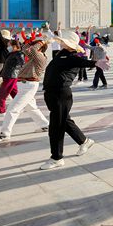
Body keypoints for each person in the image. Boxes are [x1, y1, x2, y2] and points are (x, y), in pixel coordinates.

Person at [38, 31, 97, 169]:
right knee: (65, 122)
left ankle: (57, 158)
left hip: (61, 95)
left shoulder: (73, 57)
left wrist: (96, 63)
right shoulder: (62, 53)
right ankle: (84, 141)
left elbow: (83, 62)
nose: (62, 43)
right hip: (52, 94)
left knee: (56, 128)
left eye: (64, 42)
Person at [0, 38, 50, 142]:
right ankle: (44, 125)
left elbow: (32, 50)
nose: (29, 49)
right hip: (24, 85)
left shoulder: (40, 57)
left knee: (13, 109)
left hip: (29, 86)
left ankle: (4, 134)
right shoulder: (32, 56)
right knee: (31, 108)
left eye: (34, 46)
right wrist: (31, 42)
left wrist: (41, 41)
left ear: (40, 48)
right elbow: (25, 48)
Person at [0, 40, 24, 115]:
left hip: (11, 76)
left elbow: (23, 64)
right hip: (7, 75)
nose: (8, 47)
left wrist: (17, 70)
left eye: (9, 45)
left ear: (14, 46)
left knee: (1, 94)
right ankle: (21, 107)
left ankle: (2, 111)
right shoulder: (12, 53)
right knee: (15, 94)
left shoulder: (19, 54)